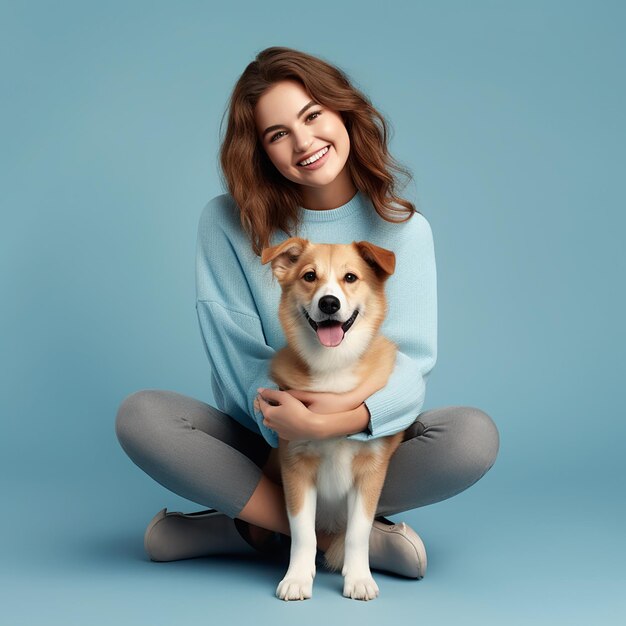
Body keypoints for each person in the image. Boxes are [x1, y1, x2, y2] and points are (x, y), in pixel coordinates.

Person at [115, 46, 499, 580]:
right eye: (277, 134)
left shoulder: (403, 231)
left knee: (471, 436)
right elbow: (238, 357)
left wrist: (341, 418)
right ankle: (325, 539)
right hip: (269, 433)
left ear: (343, 111)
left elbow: (410, 366)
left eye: (312, 115)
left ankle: (238, 527)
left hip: (366, 433)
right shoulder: (227, 223)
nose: (304, 143)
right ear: (261, 151)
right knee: (143, 416)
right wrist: (289, 422)